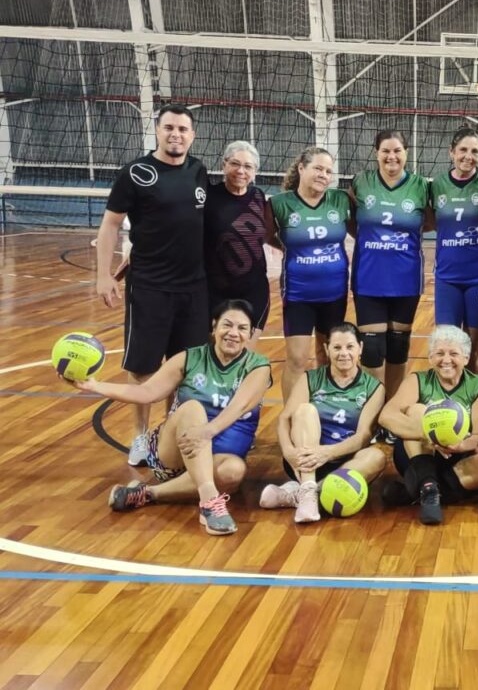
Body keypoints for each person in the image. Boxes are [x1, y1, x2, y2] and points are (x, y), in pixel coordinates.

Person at [77, 300, 271, 535]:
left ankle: (147, 493)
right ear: (214, 327)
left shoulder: (258, 366)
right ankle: (210, 501)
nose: (233, 333)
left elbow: (239, 406)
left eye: (242, 328)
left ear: (250, 334)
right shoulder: (190, 358)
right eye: (227, 325)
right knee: (192, 408)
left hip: (217, 457)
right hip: (175, 453)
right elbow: (146, 392)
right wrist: (96, 386)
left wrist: (206, 432)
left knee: (234, 471)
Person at [96, 103, 209, 456]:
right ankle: (140, 436)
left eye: (183, 129)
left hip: (193, 288)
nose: (176, 134)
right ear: (158, 131)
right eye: (169, 128)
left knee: (182, 368)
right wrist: (103, 275)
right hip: (149, 287)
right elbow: (111, 224)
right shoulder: (136, 172)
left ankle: (169, 431)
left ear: (192, 135)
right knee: (144, 368)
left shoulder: (198, 171)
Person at [259, 322, 386, 524]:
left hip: (344, 460)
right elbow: (284, 418)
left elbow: (363, 436)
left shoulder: (374, 388)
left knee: (377, 456)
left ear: (360, 348)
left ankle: (300, 494)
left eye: (349, 347)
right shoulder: (311, 378)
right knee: (304, 410)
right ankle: (308, 488)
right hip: (305, 459)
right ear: (327, 349)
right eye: (337, 347)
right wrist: (287, 451)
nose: (343, 353)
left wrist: (328, 453)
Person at [378, 325, 478, 525]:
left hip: (458, 454)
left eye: (454, 353)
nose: (446, 360)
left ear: (466, 358)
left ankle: (415, 492)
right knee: (418, 411)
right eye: (439, 353)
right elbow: (386, 416)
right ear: (430, 357)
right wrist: (426, 434)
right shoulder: (418, 380)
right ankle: (428, 484)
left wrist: (459, 446)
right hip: (417, 452)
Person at [350, 130, 430, 398]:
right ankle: (372, 410)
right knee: (372, 350)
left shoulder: (421, 186)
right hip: (369, 278)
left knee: (398, 347)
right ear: (376, 153)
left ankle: (391, 409)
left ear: (406, 153)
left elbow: (431, 220)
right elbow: (350, 218)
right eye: (386, 151)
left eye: (397, 150)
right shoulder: (361, 182)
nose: (391, 156)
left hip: (406, 279)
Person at [269, 147, 351, 402]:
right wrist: (293, 247)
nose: (324, 175)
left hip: (334, 292)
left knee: (328, 354)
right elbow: (266, 234)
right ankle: (291, 418)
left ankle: (324, 407)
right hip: (299, 294)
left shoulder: (340, 199)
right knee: (297, 359)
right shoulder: (279, 203)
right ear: (301, 168)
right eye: (318, 168)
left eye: (328, 171)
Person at [430, 128, 478, 374]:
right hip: (447, 279)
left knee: (471, 351)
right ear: (451, 152)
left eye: (475, 151)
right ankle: (444, 405)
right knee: (446, 348)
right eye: (463, 150)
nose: (469, 156)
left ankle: (472, 405)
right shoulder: (437, 185)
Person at [204, 141, 271, 344]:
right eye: (235, 163)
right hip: (214, 291)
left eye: (248, 166)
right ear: (224, 165)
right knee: (216, 356)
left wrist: (289, 247)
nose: (241, 171)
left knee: (244, 358)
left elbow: (266, 234)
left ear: (255, 171)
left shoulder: (258, 197)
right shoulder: (208, 196)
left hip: (254, 290)